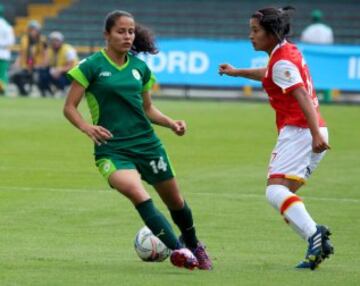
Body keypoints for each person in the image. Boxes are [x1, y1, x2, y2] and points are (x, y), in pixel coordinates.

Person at [63, 10, 212, 270]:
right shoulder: (91, 66)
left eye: (130, 31)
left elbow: (147, 109)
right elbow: (69, 107)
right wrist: (87, 127)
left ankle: (194, 244)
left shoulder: (140, 68)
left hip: (147, 145)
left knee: (175, 202)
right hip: (112, 149)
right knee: (136, 192)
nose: (127, 36)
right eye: (121, 31)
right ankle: (181, 253)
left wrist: (171, 123)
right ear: (106, 35)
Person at [219, 6, 334, 270]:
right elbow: (269, 73)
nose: (251, 35)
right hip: (309, 130)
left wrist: (315, 133)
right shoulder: (284, 53)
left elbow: (301, 95)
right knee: (287, 198)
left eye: (256, 31)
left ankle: (314, 234)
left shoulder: (282, 60)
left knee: (275, 191)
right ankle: (317, 241)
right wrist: (237, 72)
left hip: (301, 131)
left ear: (271, 33)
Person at [12, 20, 48, 96]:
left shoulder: (43, 40)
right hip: (26, 65)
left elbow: (46, 55)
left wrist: (42, 65)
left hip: (38, 66)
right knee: (16, 76)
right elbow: (21, 53)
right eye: (30, 30)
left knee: (41, 76)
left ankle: (43, 92)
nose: (32, 32)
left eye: (34, 30)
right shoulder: (24, 39)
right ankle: (24, 92)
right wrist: (17, 63)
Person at [40, 31, 78, 96]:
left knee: (61, 77)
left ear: (61, 41)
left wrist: (60, 70)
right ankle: (48, 91)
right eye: (52, 40)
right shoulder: (49, 50)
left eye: (57, 40)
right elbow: (45, 64)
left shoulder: (68, 49)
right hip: (56, 71)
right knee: (42, 73)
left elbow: (72, 66)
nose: (54, 42)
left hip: (70, 73)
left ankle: (62, 90)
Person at [0, 4, 15, 95]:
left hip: (3, 54)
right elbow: (10, 42)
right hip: (4, 54)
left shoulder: (6, 25)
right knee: (2, 75)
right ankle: (3, 91)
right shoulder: (7, 26)